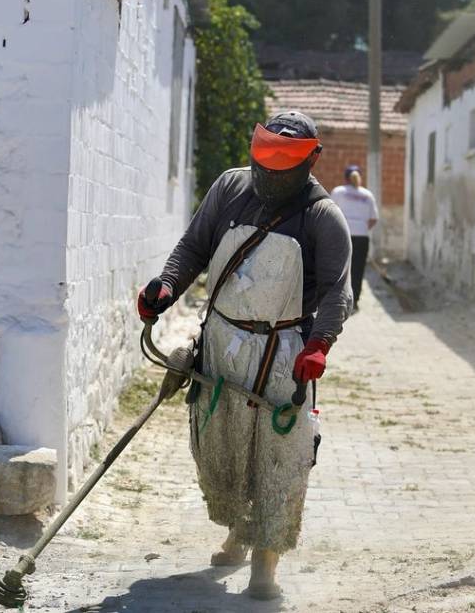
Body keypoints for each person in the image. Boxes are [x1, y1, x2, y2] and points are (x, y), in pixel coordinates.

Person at [137, 111, 353, 600]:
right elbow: (193, 247)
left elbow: (338, 293)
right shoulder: (229, 188)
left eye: (284, 165)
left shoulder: (322, 217)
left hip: (284, 353)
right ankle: (237, 532)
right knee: (225, 448)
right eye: (265, 161)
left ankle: (266, 562)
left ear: (310, 160)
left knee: (277, 458)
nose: (272, 173)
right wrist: (166, 287)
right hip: (222, 344)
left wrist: (319, 345)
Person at [330, 165, 378, 310]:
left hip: (343, 235)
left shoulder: (338, 191)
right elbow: (373, 219)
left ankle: (339, 301)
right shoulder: (367, 195)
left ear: (345, 178)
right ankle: (354, 301)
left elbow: (331, 213)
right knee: (358, 270)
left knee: (341, 268)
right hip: (362, 237)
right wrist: (361, 228)